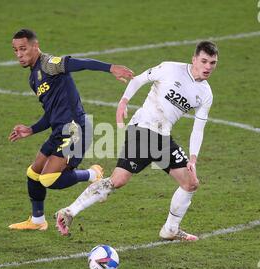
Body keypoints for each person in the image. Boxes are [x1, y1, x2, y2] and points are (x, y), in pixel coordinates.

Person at [55, 41, 218, 241]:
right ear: (194, 59)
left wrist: (193, 159)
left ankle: (170, 230)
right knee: (121, 180)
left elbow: (198, 128)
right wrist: (124, 101)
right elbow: (138, 80)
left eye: (213, 63)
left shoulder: (206, 94)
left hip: (162, 137)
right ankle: (70, 211)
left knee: (188, 183)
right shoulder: (170, 69)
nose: (208, 67)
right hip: (142, 128)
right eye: (204, 61)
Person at [8, 29, 134, 231]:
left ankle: (92, 174)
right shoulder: (33, 78)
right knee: (33, 173)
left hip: (77, 130)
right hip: (59, 130)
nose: (19, 54)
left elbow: (78, 63)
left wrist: (111, 68)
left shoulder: (49, 64)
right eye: (15, 50)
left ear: (35, 46)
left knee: (49, 179)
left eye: (23, 49)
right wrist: (31, 129)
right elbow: (51, 113)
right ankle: (37, 221)